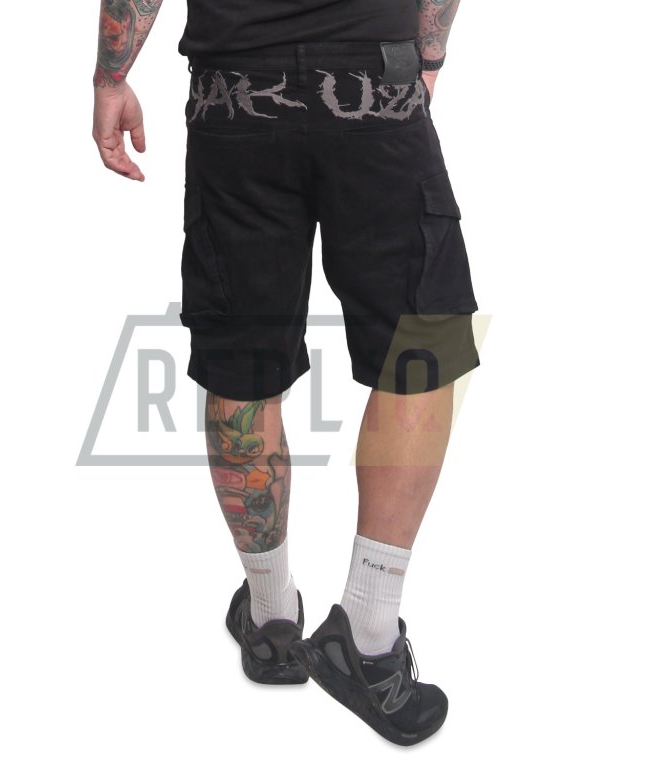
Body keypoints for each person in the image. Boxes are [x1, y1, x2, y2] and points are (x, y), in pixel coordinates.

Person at [92, 0, 479, 747]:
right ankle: (367, 639)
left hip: (235, 96)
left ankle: (271, 621)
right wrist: (428, 55)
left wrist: (112, 77)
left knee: (242, 362)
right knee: (421, 342)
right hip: (375, 82)